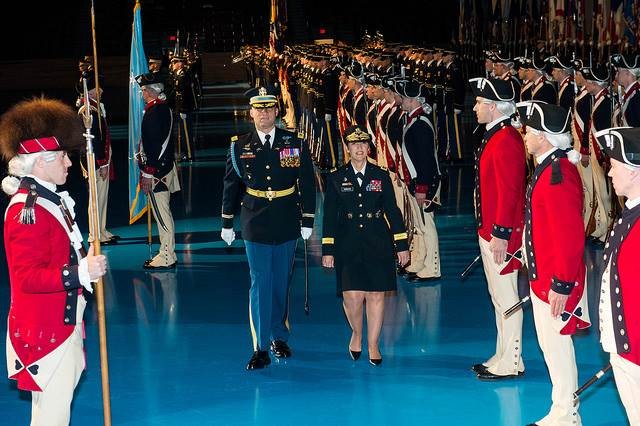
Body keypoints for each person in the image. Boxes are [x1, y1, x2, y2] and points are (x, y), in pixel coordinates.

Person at [0, 97, 107, 425]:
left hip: (63, 323)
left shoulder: (51, 199)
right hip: (45, 331)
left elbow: (60, 253)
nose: (69, 163)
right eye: (62, 156)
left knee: (55, 412)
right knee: (51, 417)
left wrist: (82, 260)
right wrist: (80, 272)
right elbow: (27, 278)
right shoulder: (26, 211)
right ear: (41, 162)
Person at [220, 86, 316, 370]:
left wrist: (308, 219)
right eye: (258, 109)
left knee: (280, 283)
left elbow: (307, 181)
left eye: (268, 108)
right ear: (251, 113)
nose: (263, 114)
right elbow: (231, 184)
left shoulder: (294, 142)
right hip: (254, 220)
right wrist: (227, 221)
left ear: (277, 111)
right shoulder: (240, 144)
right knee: (260, 282)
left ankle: (279, 336)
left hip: (287, 219)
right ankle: (260, 346)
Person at [517, 100, 590, 426]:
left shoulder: (557, 176)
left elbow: (570, 236)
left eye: (530, 131)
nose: (524, 135)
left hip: (553, 282)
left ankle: (566, 413)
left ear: (545, 137)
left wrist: (561, 284)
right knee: (551, 347)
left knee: (558, 349)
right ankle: (562, 410)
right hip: (542, 277)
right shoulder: (549, 168)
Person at [321, 125, 410, 365]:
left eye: (363, 145)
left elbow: (392, 210)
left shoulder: (380, 175)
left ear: (369, 148)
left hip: (377, 241)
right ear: (347, 149)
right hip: (347, 242)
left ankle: (373, 343)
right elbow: (329, 216)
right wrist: (327, 250)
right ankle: (357, 332)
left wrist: (401, 244)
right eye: (354, 145)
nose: (359, 148)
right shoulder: (336, 177)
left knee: (376, 295)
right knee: (351, 296)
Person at [469, 77, 527, 381]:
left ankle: (512, 360)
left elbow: (509, 192)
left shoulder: (506, 140)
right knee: (498, 297)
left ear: (493, 107)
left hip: (500, 234)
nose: (475, 107)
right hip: (490, 230)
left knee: (507, 298)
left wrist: (502, 234)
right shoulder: (496, 135)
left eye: (480, 103)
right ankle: (503, 354)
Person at [595, 126, 640, 425]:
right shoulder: (629, 213)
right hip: (625, 346)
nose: (609, 174)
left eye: (614, 166)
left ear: (635, 172)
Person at [136, 72, 180, 270]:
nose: (143, 94)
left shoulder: (154, 113)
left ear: (153, 91)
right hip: (164, 168)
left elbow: (153, 146)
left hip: (157, 173)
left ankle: (167, 255)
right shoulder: (163, 109)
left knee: (162, 215)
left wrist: (147, 173)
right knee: (165, 212)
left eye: (144, 91)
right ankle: (167, 251)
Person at [77, 73, 119, 245]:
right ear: (92, 91)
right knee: (95, 199)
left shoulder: (95, 106)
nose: (101, 90)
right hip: (95, 160)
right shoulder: (88, 109)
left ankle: (101, 229)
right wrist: (101, 162)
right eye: (98, 87)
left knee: (102, 196)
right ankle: (94, 235)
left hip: (103, 159)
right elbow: (93, 138)